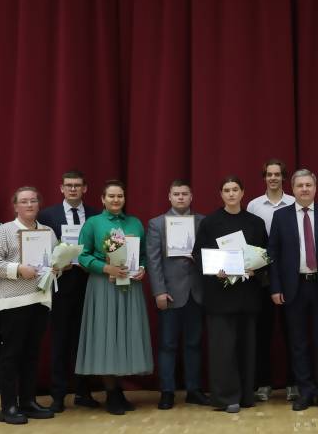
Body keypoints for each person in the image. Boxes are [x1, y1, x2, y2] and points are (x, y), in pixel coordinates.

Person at [268, 168, 318, 411]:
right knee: (298, 342)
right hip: (293, 288)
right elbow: (273, 255)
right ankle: (305, 390)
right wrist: (275, 287)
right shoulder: (281, 217)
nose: (304, 189)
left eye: (308, 185)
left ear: (315, 188)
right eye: (300, 185)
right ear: (292, 189)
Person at [75, 180, 153, 415]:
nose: (116, 200)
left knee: (124, 335)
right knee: (106, 335)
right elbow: (83, 256)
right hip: (103, 286)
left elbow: (144, 255)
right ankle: (111, 393)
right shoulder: (93, 223)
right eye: (111, 196)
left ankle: (118, 390)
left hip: (130, 286)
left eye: (120, 196)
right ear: (102, 199)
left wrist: (142, 268)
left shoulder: (135, 223)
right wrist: (105, 268)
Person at [192, 176, 268, 413]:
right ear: (221, 194)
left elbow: (265, 255)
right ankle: (226, 398)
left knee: (247, 348)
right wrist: (216, 270)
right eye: (227, 190)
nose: (231, 193)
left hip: (247, 294)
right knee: (223, 350)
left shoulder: (255, 223)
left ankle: (246, 395)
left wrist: (256, 269)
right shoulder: (210, 222)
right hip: (220, 296)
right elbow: (198, 255)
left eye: (235, 189)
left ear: (243, 192)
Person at [0, 187, 58, 425]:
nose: (29, 205)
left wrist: (58, 267)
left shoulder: (47, 232)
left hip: (41, 300)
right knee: (11, 354)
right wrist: (18, 269)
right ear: (15, 206)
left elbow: (54, 261)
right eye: (24, 201)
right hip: (14, 302)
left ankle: (28, 402)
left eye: (33, 201)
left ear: (39, 204)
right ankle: (9, 406)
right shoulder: (4, 231)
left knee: (32, 355)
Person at [37, 170, 100, 412]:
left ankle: (83, 391)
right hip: (60, 285)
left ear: (85, 189)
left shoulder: (95, 215)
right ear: (61, 188)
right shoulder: (47, 215)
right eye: (68, 185)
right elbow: (40, 248)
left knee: (86, 340)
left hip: (90, 283)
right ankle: (58, 395)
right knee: (60, 340)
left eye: (77, 185)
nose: (73, 189)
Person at [146, 180, 209, 409]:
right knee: (167, 344)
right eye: (176, 194)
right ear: (169, 197)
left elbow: (212, 254)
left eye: (184, 194)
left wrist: (199, 258)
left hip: (197, 292)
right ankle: (167, 391)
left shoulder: (203, 222)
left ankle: (194, 390)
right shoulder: (157, 224)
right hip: (170, 293)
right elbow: (153, 260)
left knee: (194, 344)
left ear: (191, 197)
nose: (181, 197)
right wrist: (159, 291)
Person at [246, 158, 298, 401]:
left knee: (292, 331)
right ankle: (263, 383)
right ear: (264, 177)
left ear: (283, 177)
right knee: (262, 331)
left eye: (277, 174)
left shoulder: (294, 202)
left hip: (290, 274)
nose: (273, 178)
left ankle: (293, 383)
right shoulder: (254, 205)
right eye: (269, 174)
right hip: (261, 275)